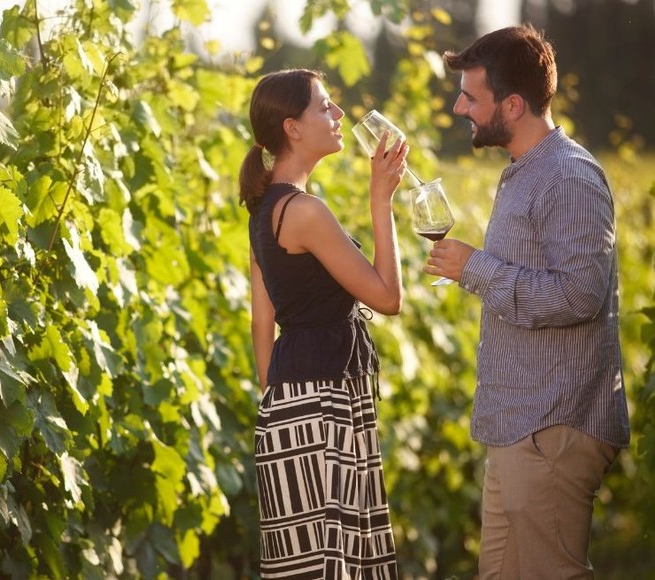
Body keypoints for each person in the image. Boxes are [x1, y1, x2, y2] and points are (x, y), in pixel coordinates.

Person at [431, 25, 631, 578]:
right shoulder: (524, 174)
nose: (458, 106)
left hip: (554, 424)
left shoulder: (567, 176)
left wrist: (475, 267)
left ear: (513, 105)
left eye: (471, 96)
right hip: (520, 425)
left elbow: (579, 295)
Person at [239, 68, 408, 579]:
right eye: (325, 106)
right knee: (339, 566)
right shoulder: (305, 211)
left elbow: (260, 324)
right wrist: (382, 200)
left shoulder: (263, 210)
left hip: (290, 408)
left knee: (305, 567)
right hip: (325, 408)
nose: (338, 115)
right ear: (292, 127)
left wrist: (280, 408)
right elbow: (387, 297)